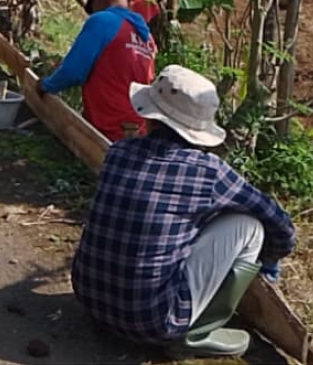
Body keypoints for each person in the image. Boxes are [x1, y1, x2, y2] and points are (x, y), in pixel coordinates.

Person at [72, 64, 296, 357]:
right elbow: (281, 224)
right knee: (248, 226)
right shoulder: (209, 173)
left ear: (150, 118)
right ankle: (196, 332)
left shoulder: (118, 152)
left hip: (88, 297)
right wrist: (270, 260)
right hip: (152, 322)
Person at [38, 0, 156, 142]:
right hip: (138, 126)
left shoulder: (104, 20)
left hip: (108, 125)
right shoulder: (146, 36)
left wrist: (45, 86)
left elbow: (73, 72)